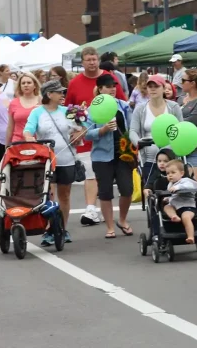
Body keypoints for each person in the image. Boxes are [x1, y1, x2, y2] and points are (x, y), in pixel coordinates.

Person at [23, 80, 82, 245]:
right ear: (49, 94)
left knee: (65, 195)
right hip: (46, 161)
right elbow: (28, 130)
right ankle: (49, 228)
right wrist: (29, 138)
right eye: (59, 92)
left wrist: (79, 134)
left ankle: (62, 228)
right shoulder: (37, 112)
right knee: (48, 195)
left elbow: (81, 127)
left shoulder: (68, 111)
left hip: (67, 159)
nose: (63, 95)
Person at [66, 46, 117, 225]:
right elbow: (69, 109)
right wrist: (75, 128)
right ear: (82, 62)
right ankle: (90, 208)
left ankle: (99, 207)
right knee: (90, 172)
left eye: (94, 59)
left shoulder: (110, 79)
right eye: (88, 60)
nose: (92, 62)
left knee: (103, 174)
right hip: (86, 133)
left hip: (110, 134)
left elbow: (122, 103)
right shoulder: (75, 83)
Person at [85, 74, 134, 239]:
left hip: (123, 154)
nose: (112, 89)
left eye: (114, 85)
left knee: (127, 189)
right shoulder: (92, 109)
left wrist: (135, 146)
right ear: (100, 89)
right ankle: (110, 226)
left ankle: (122, 220)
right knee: (105, 192)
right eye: (107, 86)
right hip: (102, 156)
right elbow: (86, 134)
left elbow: (131, 128)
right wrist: (102, 130)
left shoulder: (124, 105)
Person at [129, 75, 183, 183]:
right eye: (150, 86)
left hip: (171, 157)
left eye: (156, 86)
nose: (152, 89)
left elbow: (181, 129)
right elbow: (133, 131)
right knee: (151, 188)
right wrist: (138, 142)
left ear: (163, 88)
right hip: (149, 156)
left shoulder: (173, 107)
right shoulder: (140, 109)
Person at [163, 159, 197, 244]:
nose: (170, 175)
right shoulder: (170, 184)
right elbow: (172, 195)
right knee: (167, 207)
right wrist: (167, 198)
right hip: (175, 207)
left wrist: (178, 187)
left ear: (181, 173)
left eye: (173, 172)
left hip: (187, 207)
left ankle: (190, 236)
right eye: (168, 173)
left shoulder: (185, 181)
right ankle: (174, 216)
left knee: (186, 218)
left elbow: (192, 186)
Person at [6, 73, 41, 144]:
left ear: (35, 85)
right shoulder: (14, 103)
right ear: (20, 86)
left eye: (29, 83)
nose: (26, 85)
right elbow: (10, 127)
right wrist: (6, 146)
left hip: (37, 142)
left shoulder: (42, 101)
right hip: (17, 142)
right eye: (23, 83)